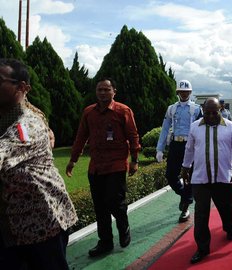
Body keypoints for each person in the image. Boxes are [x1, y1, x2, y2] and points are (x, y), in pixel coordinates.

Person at [0, 58, 78, 269]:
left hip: (42, 225)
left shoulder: (25, 125)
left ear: (23, 88)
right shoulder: (8, 116)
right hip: (11, 227)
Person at [67, 78, 141, 257]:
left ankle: (124, 228)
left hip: (116, 165)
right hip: (96, 167)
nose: (102, 93)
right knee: (100, 207)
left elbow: (133, 136)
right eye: (99, 89)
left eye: (107, 89)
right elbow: (80, 137)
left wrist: (135, 160)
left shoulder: (123, 111)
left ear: (114, 91)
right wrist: (73, 160)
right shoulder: (88, 112)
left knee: (115, 202)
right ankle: (105, 242)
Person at [180, 97, 232, 264]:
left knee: (226, 208)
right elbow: (189, 150)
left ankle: (229, 228)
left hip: (223, 177)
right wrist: (185, 167)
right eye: (207, 113)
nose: (210, 116)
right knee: (201, 215)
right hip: (200, 179)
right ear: (203, 110)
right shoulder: (195, 127)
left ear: (220, 110)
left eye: (214, 112)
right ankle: (202, 248)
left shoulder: (230, 127)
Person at [156, 80, 202, 223]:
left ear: (190, 92)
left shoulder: (196, 109)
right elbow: (165, 128)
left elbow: (201, 129)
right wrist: (159, 148)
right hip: (176, 143)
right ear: (177, 93)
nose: (184, 94)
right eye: (181, 91)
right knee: (170, 175)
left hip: (190, 145)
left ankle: (185, 209)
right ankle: (186, 196)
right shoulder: (171, 109)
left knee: (188, 175)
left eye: (186, 91)